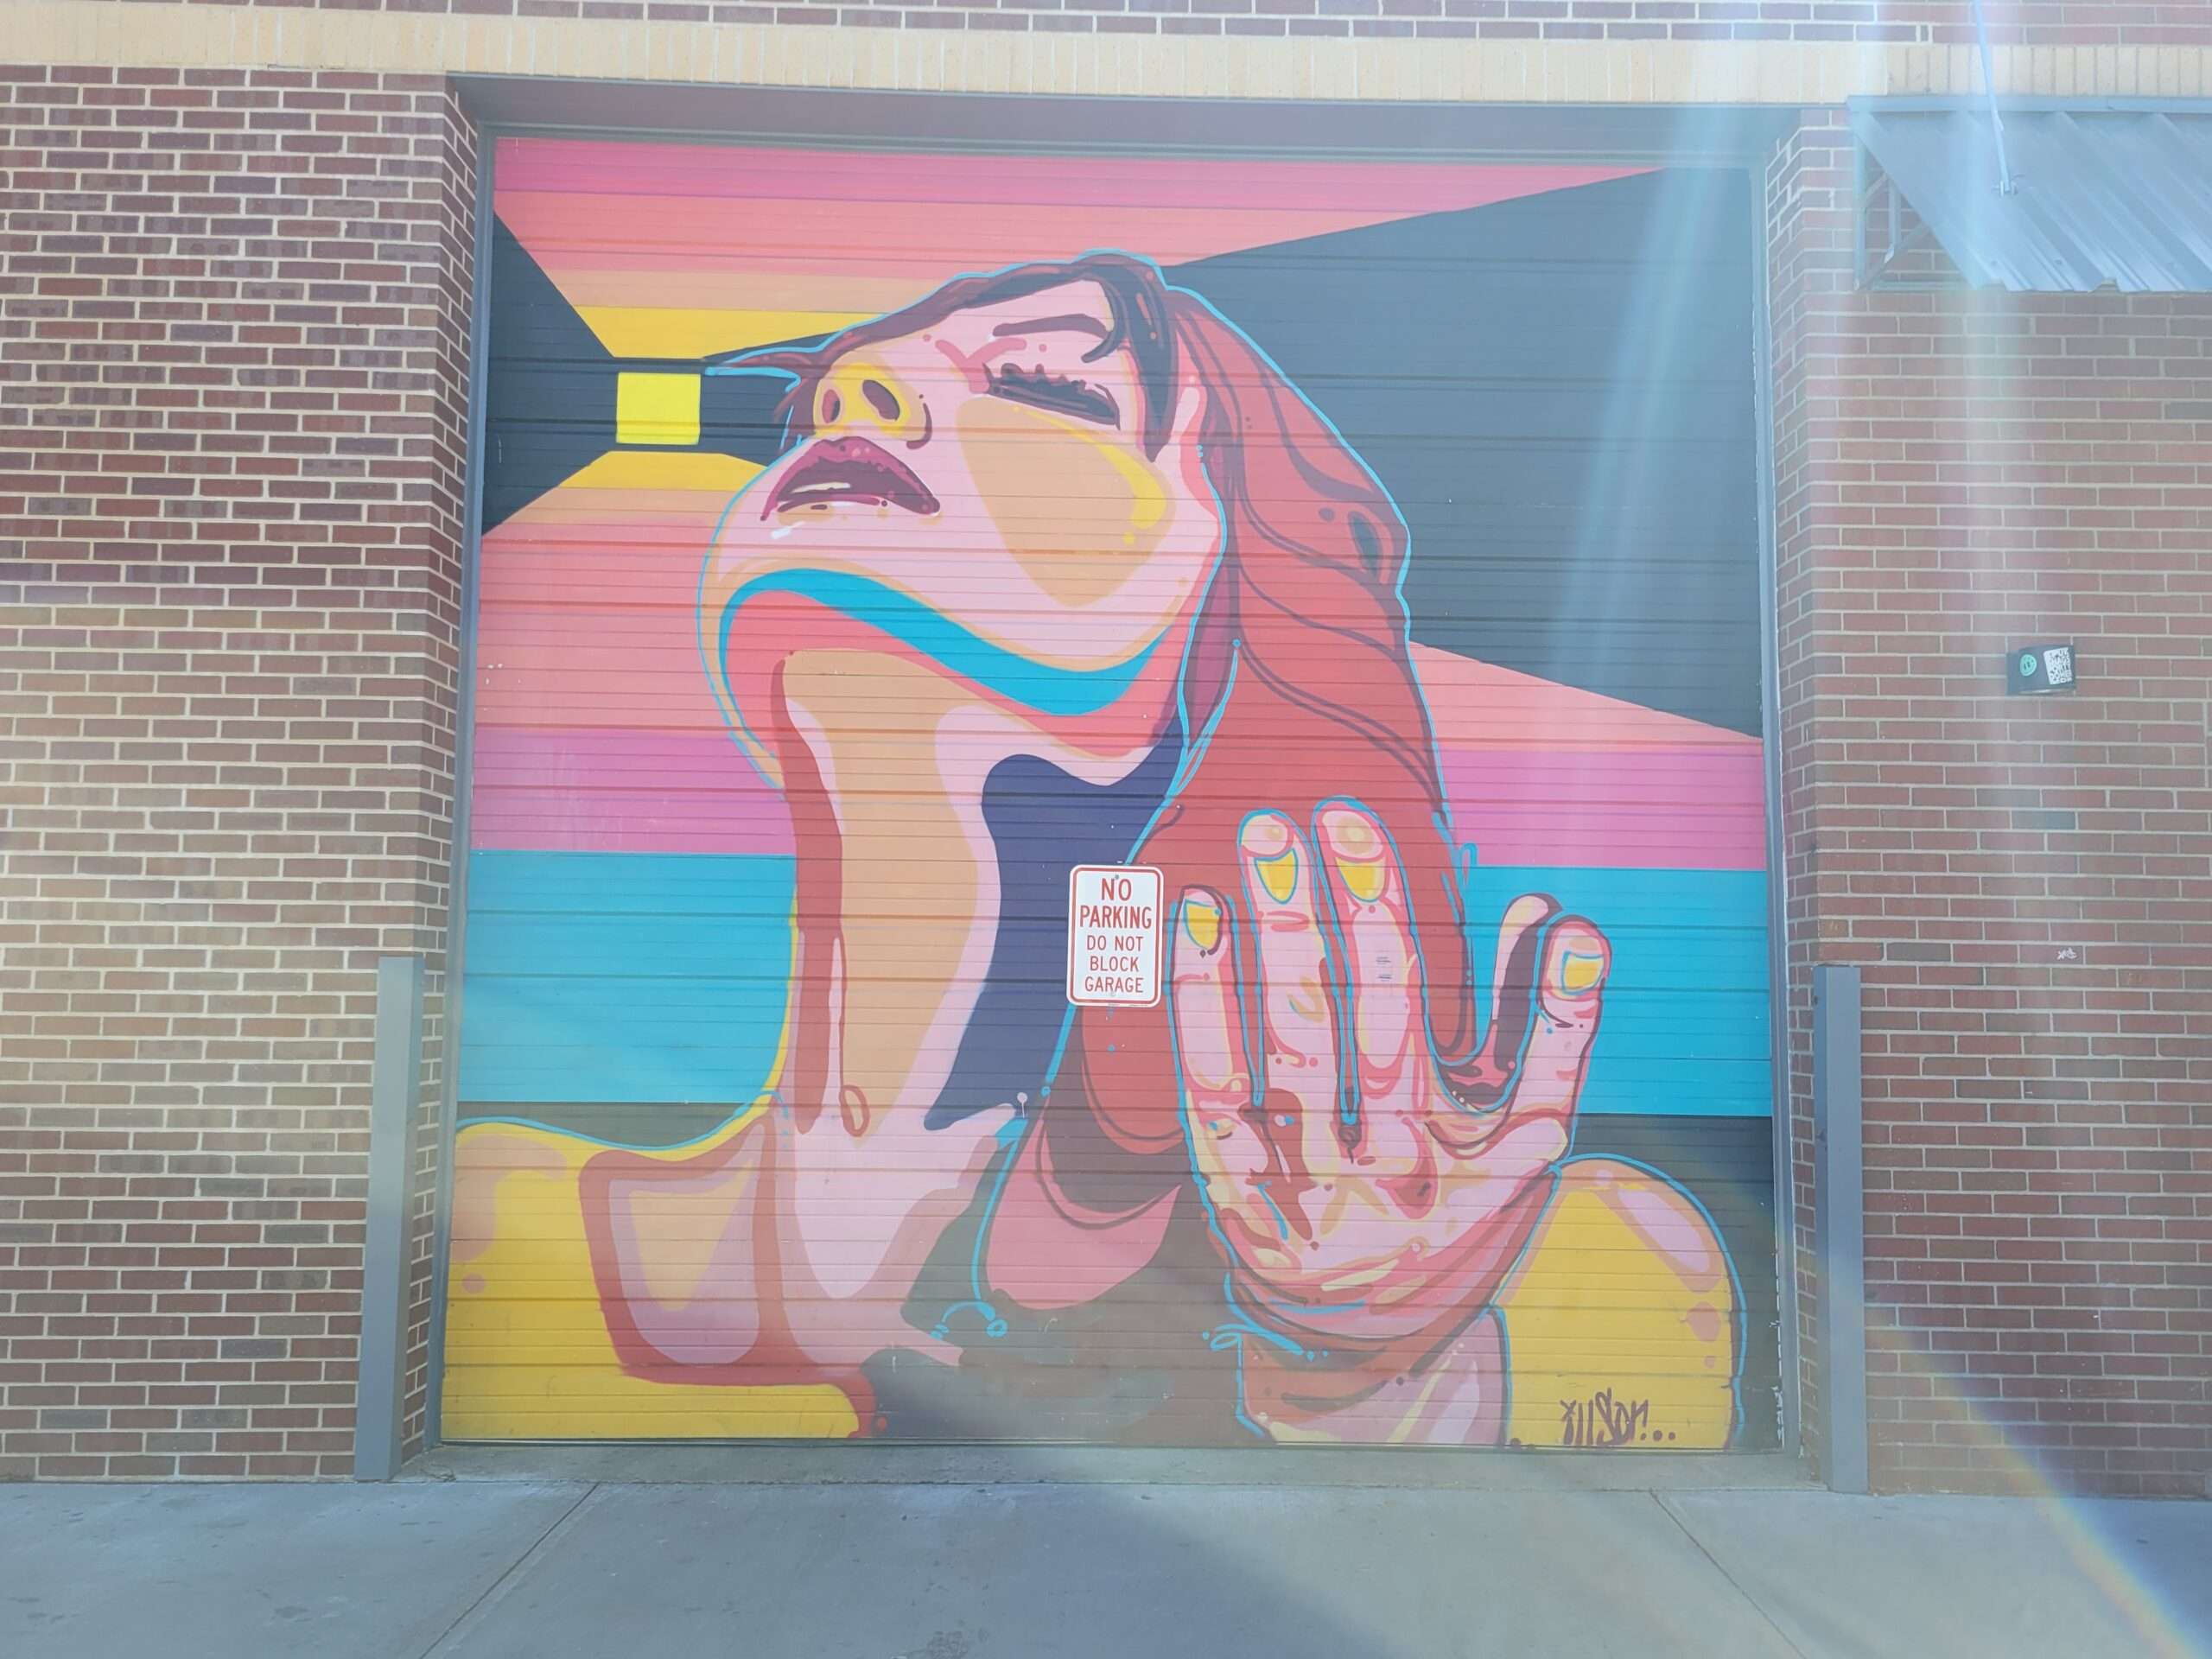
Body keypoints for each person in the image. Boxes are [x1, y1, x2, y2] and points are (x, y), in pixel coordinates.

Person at [451, 253, 1739, 1449]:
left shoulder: (1585, 1258)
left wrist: (1362, 1366)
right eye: (813, 408)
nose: (853, 392)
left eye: (1043, 385)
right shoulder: (486, 1229)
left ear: (1229, 596)